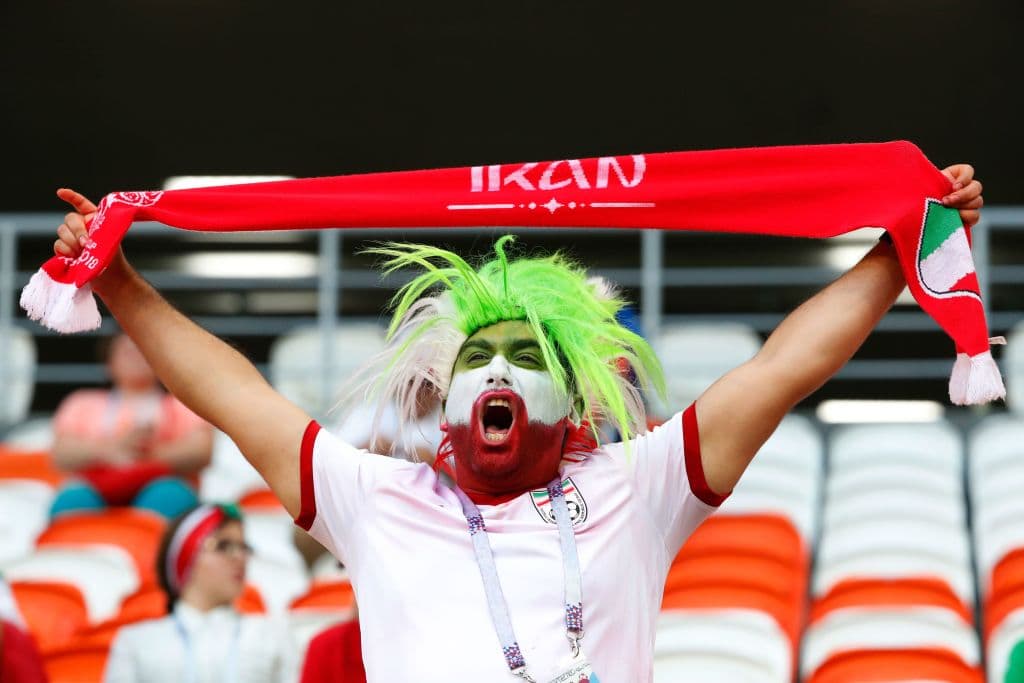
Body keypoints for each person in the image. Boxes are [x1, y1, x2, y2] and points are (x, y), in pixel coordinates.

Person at [52, 166, 983, 682]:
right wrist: (120, 284)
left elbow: (782, 368)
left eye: (527, 356)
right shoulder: (374, 497)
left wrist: (901, 251)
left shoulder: (641, 484)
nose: (497, 369)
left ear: (574, 401)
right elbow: (234, 393)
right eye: (477, 357)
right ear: (446, 399)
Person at [104, 503, 297, 682]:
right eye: (223, 546)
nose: (240, 557)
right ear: (185, 557)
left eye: (243, 547)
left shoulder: (272, 635)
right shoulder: (138, 642)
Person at [49, 333, 213, 518]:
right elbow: (62, 453)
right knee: (73, 503)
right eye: (127, 352)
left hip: (164, 489)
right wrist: (112, 450)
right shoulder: (82, 403)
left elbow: (201, 451)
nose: (136, 358)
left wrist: (143, 455)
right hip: (96, 487)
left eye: (142, 351)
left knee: (168, 498)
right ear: (109, 363)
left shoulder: (183, 404)